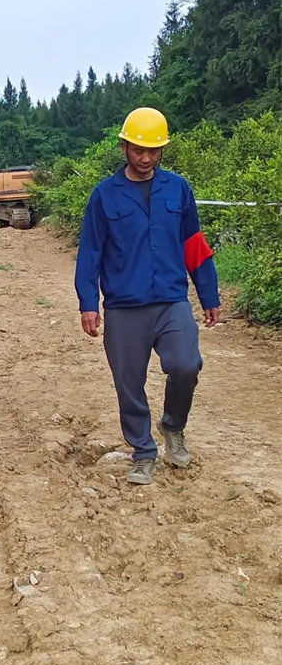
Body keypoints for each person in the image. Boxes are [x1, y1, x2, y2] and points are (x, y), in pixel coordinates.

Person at [75, 108, 220, 485]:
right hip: (124, 306)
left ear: (162, 150)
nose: (146, 158)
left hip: (171, 300)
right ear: (124, 147)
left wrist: (208, 293)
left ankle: (173, 426)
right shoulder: (105, 195)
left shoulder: (178, 188)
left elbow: (194, 243)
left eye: (153, 151)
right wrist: (88, 303)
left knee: (186, 364)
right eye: (138, 150)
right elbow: (91, 251)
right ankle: (142, 451)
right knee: (129, 382)